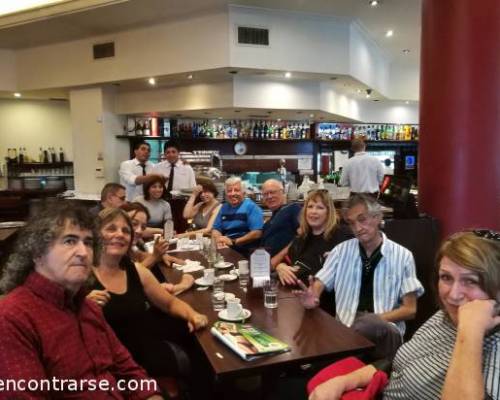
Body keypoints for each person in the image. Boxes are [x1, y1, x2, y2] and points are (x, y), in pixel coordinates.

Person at [309, 229, 500, 400]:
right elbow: (397, 364)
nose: (453, 294)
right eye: (446, 277)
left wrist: (470, 332)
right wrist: (343, 382)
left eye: (471, 281)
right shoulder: (443, 316)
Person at [0, 204, 162, 399]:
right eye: (70, 241)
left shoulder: (88, 307)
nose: (84, 253)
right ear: (38, 253)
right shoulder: (12, 318)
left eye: (88, 242)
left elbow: (129, 371)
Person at [296, 194, 424, 360]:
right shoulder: (340, 251)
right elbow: (320, 282)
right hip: (346, 329)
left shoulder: (403, 256)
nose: (357, 228)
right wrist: (313, 296)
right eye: (352, 223)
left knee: (369, 325)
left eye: (362, 219)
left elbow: (410, 309)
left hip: (385, 331)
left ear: (378, 218)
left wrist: (374, 319)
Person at [87, 208, 208, 379]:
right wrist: (82, 307)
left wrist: (193, 315)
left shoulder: (136, 270)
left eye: (125, 231)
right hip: (108, 365)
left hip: (144, 350)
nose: (120, 234)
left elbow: (169, 303)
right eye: (111, 228)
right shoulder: (81, 274)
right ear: (96, 234)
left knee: (200, 348)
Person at [272, 189, 351, 286]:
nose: (313, 211)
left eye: (320, 208)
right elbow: (288, 262)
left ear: (328, 213)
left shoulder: (342, 235)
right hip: (295, 295)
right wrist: (280, 266)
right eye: (310, 207)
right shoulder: (300, 240)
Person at [120, 202, 192, 294]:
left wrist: (160, 256)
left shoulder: (129, 245)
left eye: (143, 227)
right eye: (134, 224)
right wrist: (182, 285)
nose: (139, 231)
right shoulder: (114, 247)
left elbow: (139, 255)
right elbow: (128, 280)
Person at [211, 176, 263, 256]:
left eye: (236, 190)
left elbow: (257, 233)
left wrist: (234, 241)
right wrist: (219, 240)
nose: (232, 193)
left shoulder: (251, 207)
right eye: (229, 191)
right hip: (226, 248)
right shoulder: (223, 207)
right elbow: (216, 229)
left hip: (246, 252)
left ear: (243, 192)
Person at [260, 179, 301, 258]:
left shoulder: (292, 208)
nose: (269, 196)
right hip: (265, 264)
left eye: (272, 192)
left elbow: (303, 235)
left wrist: (278, 261)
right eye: (265, 194)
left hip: (286, 263)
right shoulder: (268, 223)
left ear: (282, 192)